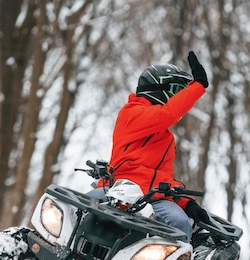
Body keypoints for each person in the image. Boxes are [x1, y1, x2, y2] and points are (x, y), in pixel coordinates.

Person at [87, 51, 210, 242]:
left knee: (179, 224)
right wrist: (197, 86)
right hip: (116, 189)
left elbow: (162, 178)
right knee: (75, 209)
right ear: (157, 88)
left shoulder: (166, 139)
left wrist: (187, 203)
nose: (179, 97)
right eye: (177, 90)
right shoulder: (131, 113)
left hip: (152, 198)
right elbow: (168, 113)